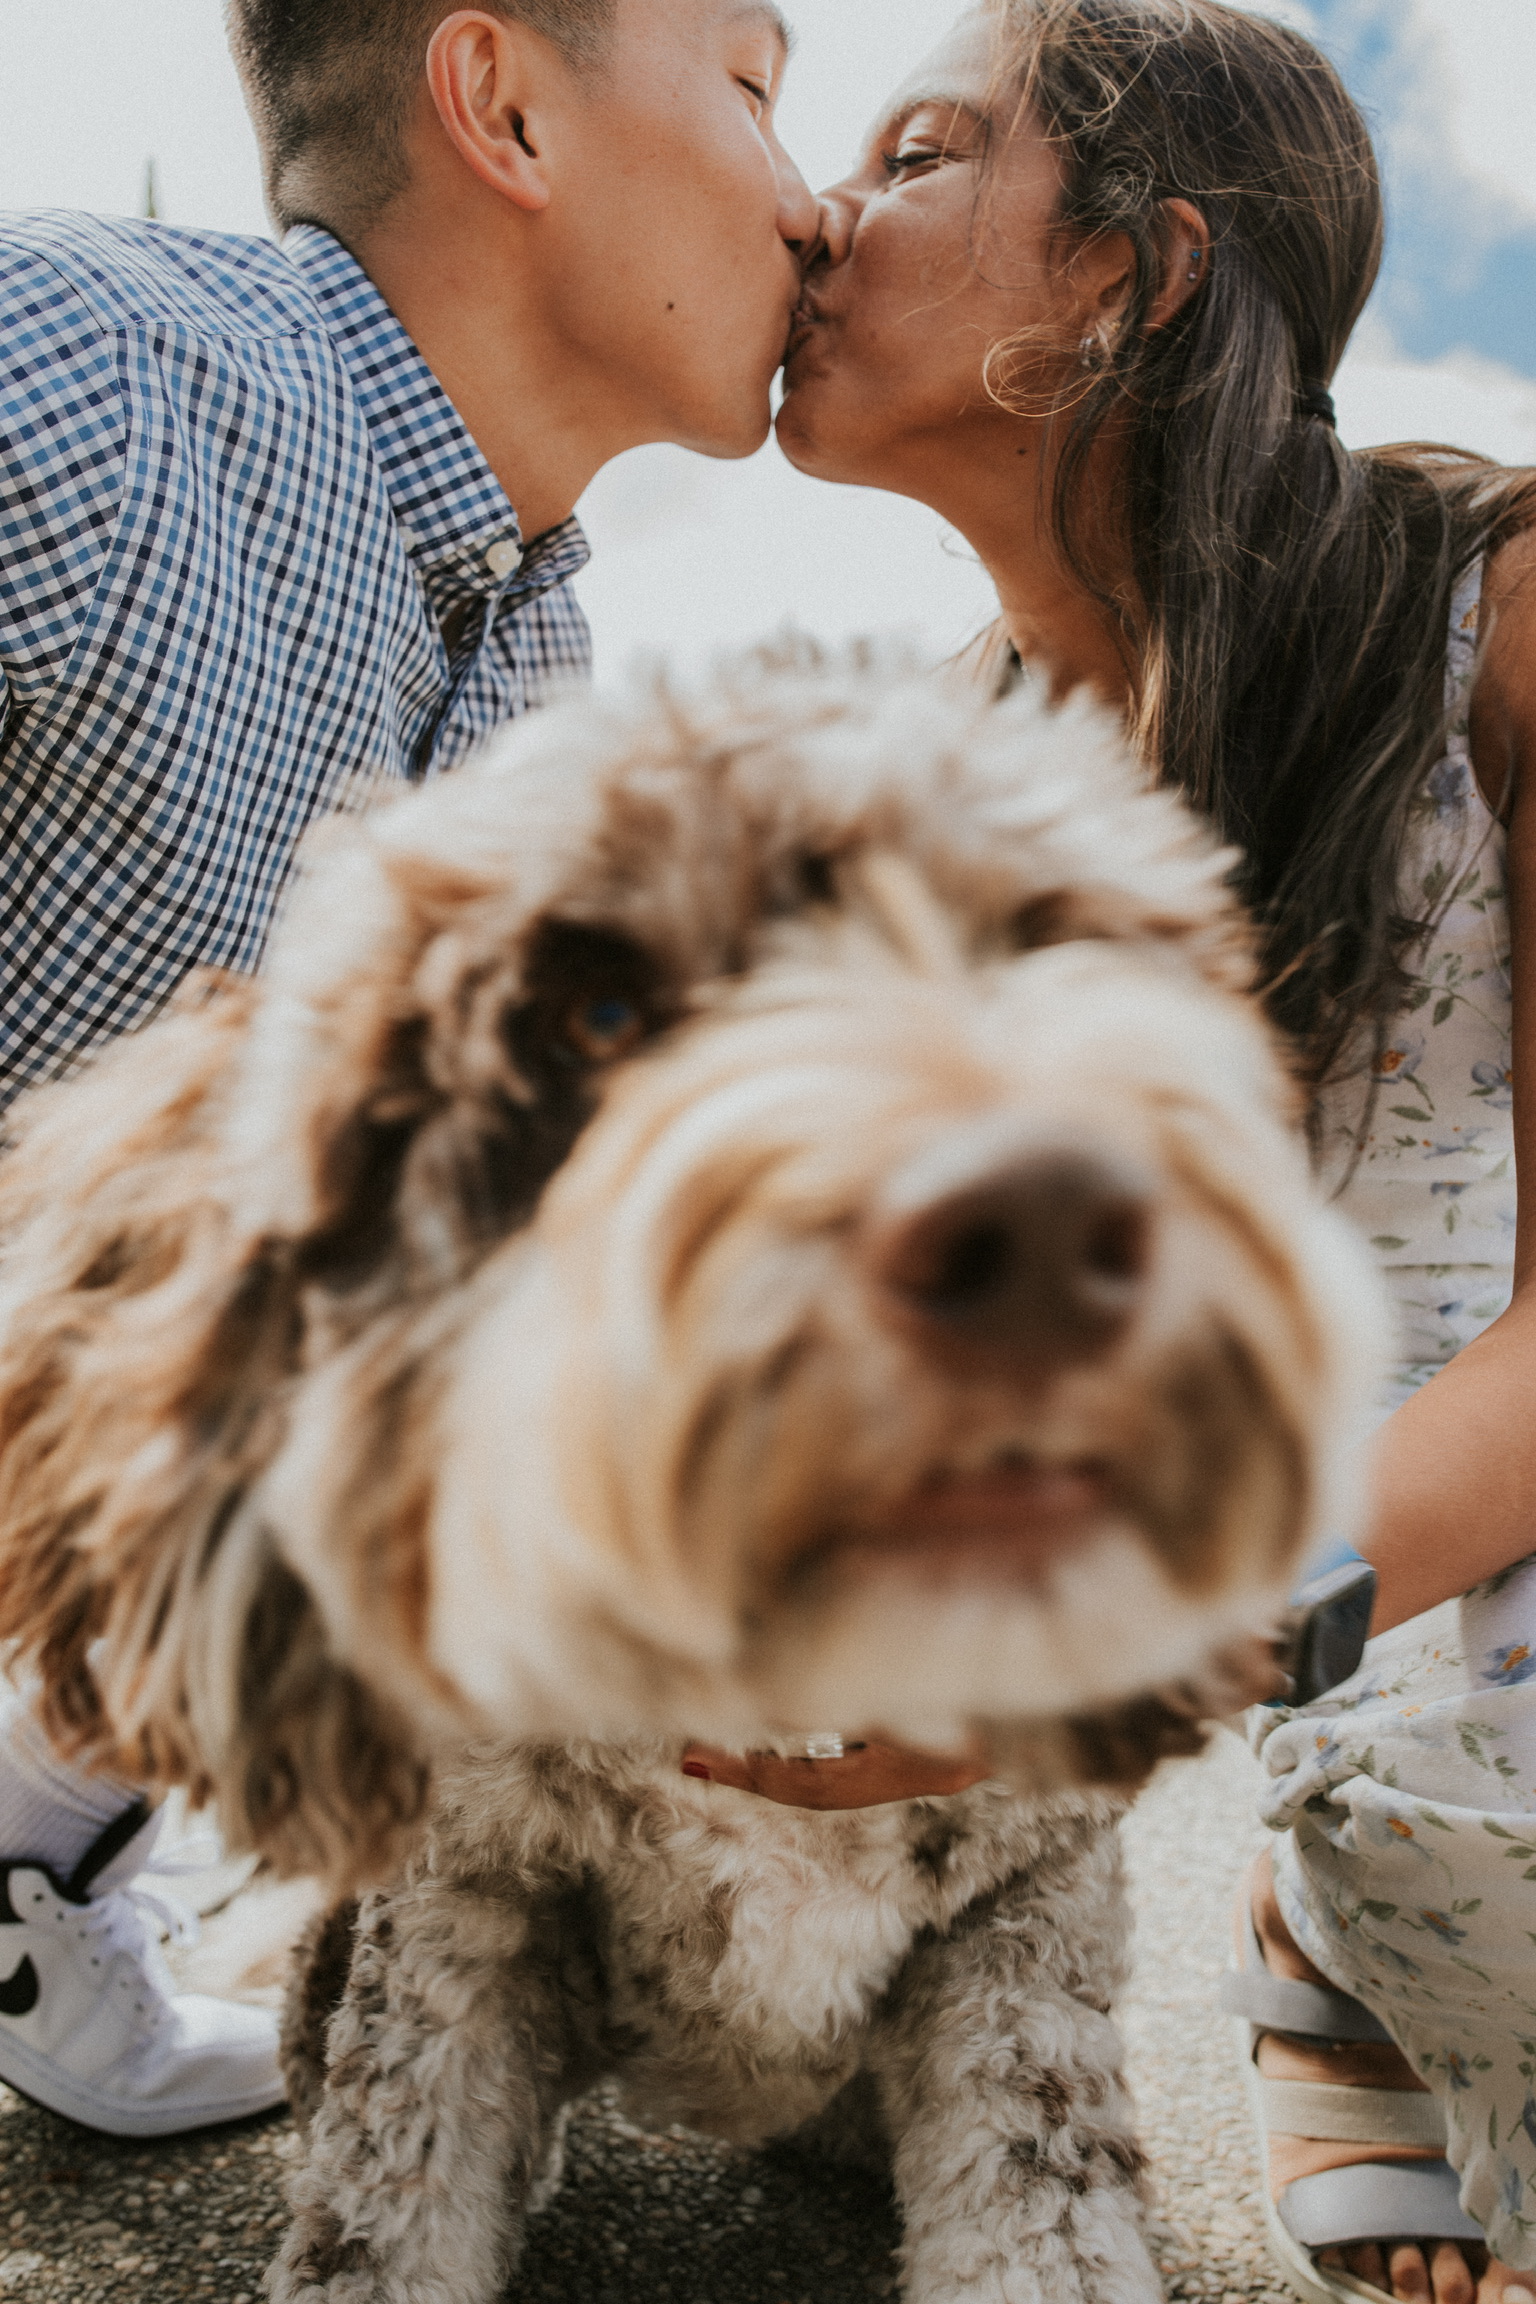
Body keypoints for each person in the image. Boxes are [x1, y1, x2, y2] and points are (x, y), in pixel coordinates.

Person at [775, 4, 1536, 2302]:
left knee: (1490, 1810)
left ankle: (1342, 1944)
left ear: (1138, 271)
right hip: (1252, 1514)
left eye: (914, 155)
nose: (815, 211)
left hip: (1456, 1475)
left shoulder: (1497, 604)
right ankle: (1371, 1930)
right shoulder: (920, 778)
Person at [0, 0, 815, 2137]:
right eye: (756, 87)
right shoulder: (81, 373)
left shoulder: (541, 649)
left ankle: (37, 1831)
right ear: (504, 103)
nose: (813, 205)